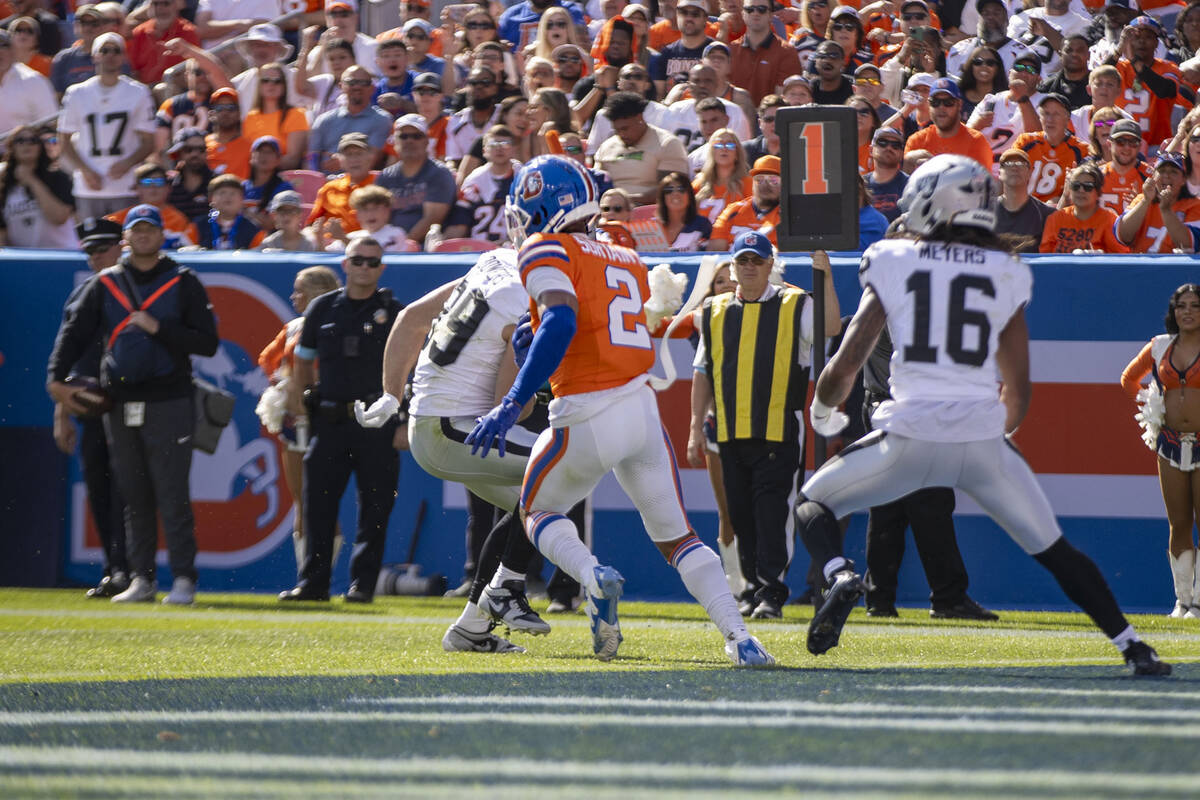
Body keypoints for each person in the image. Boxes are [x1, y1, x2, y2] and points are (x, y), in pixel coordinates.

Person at [793, 154, 1172, 676]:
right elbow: (1019, 390)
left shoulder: (892, 258)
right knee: (1055, 549)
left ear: (930, 202)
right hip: (981, 440)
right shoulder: (1003, 269)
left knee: (813, 503)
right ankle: (1134, 646)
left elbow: (845, 366)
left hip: (907, 433)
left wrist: (821, 407)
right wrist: (990, 438)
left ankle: (837, 575)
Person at [464, 154, 774, 666]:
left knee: (537, 510)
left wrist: (513, 400)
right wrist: (536, 337)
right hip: (640, 409)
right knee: (678, 537)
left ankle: (593, 578)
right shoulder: (622, 253)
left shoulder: (545, 247)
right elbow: (595, 326)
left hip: (586, 409)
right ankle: (741, 638)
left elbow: (563, 320)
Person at [362, 249, 551, 652]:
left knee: (538, 507)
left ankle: (472, 626)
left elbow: (410, 318)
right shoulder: (528, 297)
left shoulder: (493, 261)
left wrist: (391, 395)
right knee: (559, 467)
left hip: (431, 420)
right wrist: (540, 382)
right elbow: (509, 404)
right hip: (455, 428)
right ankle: (513, 589)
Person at [46, 204, 219, 606]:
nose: (142, 236)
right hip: (120, 401)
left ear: (162, 236)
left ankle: (182, 580)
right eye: (136, 230)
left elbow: (207, 342)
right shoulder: (106, 283)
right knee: (133, 493)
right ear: (127, 237)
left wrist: (159, 328)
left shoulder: (183, 281)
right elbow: (73, 334)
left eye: (149, 229)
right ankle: (141, 578)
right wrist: (55, 377)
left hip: (170, 397)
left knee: (172, 493)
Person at [688, 232, 840, 618]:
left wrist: (826, 278)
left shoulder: (795, 303)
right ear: (733, 266)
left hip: (778, 429)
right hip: (729, 429)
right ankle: (751, 588)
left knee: (772, 514)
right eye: (743, 261)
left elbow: (831, 328)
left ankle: (771, 592)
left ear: (771, 265)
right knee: (740, 515)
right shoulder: (715, 309)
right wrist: (694, 426)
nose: (750, 268)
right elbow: (703, 371)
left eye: (757, 261)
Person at [279, 237, 404, 603]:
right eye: (357, 260)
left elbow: (410, 368)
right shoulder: (321, 308)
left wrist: (403, 418)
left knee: (376, 506)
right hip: (330, 419)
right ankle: (313, 584)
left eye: (372, 261)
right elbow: (303, 358)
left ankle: (362, 586)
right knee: (317, 502)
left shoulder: (394, 312)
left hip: (377, 422)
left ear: (381, 268)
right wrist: (303, 402)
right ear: (344, 264)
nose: (364, 267)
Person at [857, 325, 999, 621]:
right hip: (907, 410)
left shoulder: (882, 299)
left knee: (889, 506)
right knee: (930, 503)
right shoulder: (899, 303)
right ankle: (947, 597)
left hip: (887, 407)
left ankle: (880, 598)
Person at [48, 217, 128, 599]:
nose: (97, 257)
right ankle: (113, 569)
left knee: (131, 487)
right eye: (91, 252)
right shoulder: (81, 295)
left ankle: (131, 568)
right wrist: (62, 412)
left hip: (135, 400)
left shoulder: (136, 288)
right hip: (92, 405)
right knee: (99, 484)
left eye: (103, 249)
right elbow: (69, 359)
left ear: (119, 248)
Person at [1121, 283, 1200, 619]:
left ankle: (1199, 602)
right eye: (1181, 306)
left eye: (1195, 306)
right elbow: (1128, 379)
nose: (1188, 312)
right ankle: (1182, 601)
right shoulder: (1159, 346)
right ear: (1173, 311)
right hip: (1168, 442)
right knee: (1178, 523)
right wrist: (1152, 405)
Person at [258, 266, 344, 573]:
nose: (294, 297)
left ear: (319, 295)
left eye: (301, 291)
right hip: (296, 421)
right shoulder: (294, 327)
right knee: (300, 499)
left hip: (327, 419)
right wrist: (284, 388)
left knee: (322, 497)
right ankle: (305, 575)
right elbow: (270, 360)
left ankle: (323, 572)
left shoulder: (338, 324)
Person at [57, 33, 156, 220]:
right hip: (88, 186)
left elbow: (149, 141)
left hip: (124, 185)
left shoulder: (138, 92)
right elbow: (64, 139)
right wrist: (84, 170)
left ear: (123, 56)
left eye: (116, 51)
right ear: (95, 55)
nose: (110, 55)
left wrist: (127, 163)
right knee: (91, 242)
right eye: (105, 50)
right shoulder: (77, 93)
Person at [594, 91, 691, 205]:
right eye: (617, 130)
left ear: (639, 118)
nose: (621, 134)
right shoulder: (606, 147)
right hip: (610, 210)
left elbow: (670, 190)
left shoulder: (667, 144)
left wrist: (625, 201)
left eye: (625, 129)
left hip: (649, 213)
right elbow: (597, 184)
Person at [375, 114, 456, 247]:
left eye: (416, 136)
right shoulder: (385, 177)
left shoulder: (439, 173)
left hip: (423, 248)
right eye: (403, 136)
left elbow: (432, 219)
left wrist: (403, 246)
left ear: (426, 141)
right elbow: (377, 216)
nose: (409, 141)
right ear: (394, 141)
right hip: (387, 245)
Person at [0, 125, 76, 249]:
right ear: (12, 147)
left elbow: (59, 217)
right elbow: (2, 233)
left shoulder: (58, 177)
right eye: (20, 141)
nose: (27, 145)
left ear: (40, 146)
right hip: (22, 260)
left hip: (61, 255)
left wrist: (31, 180)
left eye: (33, 140)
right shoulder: (3, 185)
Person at [308, 65, 393, 173]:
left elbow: (372, 160)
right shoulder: (324, 120)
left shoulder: (382, 120)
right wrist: (316, 179)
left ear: (372, 88)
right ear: (341, 86)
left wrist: (340, 160)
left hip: (362, 185)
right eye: (351, 82)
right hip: (325, 185)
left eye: (363, 83)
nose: (357, 87)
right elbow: (311, 158)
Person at [444, 125, 518, 243]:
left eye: (505, 144)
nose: (499, 149)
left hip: (513, 247)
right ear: (484, 151)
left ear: (514, 149)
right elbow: (460, 221)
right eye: (493, 144)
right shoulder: (474, 180)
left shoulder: (523, 176)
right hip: (478, 248)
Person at [1115, 152, 1200, 254]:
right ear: (1153, 176)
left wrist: (1166, 210)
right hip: (1140, 266)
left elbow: (1190, 244)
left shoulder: (1194, 205)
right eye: (1162, 171)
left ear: (1183, 179)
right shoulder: (1142, 199)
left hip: (1177, 268)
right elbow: (1123, 236)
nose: (1167, 176)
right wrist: (1146, 201)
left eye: (1173, 172)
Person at [964, 50, 1041, 159]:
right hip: (986, 167)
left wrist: (1023, 99)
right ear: (1010, 73)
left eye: (1031, 70)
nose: (1024, 73)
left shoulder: (1045, 102)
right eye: (1019, 67)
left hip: (1021, 168)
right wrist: (978, 125)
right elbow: (965, 137)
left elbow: (1038, 139)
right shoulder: (991, 101)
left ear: (1039, 79)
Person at [1012, 94, 1087, 205]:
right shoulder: (1025, 141)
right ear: (1040, 117)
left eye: (1056, 114)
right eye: (1046, 113)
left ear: (1067, 119)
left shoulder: (1081, 150)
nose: (1050, 119)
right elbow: (1008, 172)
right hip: (1022, 205)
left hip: (1057, 210)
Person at [902, 78, 994, 170]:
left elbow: (983, 181)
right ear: (929, 105)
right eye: (935, 102)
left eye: (948, 102)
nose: (941, 107)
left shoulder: (977, 141)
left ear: (959, 104)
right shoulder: (916, 141)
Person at [307, 132, 378, 247]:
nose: (354, 159)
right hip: (330, 249)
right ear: (339, 160)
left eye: (359, 154)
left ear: (371, 157)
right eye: (349, 154)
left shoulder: (380, 185)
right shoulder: (329, 189)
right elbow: (312, 225)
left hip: (369, 247)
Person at [1040, 164, 1128, 253]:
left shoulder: (1110, 220)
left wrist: (1099, 256)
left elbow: (1121, 258)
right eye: (1076, 186)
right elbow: (1044, 256)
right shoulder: (1055, 219)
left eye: (1088, 186)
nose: (1081, 190)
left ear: (1099, 191)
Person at [731, 0, 803, 105]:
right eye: (749, 9)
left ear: (770, 15)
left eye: (762, 9)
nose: (755, 13)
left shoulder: (787, 52)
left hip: (771, 118)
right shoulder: (731, 50)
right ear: (743, 14)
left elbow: (782, 101)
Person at [242, 62, 309, 172]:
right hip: (255, 176)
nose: (271, 85)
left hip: (282, 177)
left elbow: (293, 158)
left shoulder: (296, 114)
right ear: (259, 85)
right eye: (265, 80)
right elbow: (246, 155)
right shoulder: (251, 117)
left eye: (277, 81)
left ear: (284, 86)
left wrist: (264, 166)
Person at [708, 155, 781, 251]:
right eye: (759, 180)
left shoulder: (792, 216)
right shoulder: (733, 211)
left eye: (773, 180)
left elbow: (796, 256)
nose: (765, 185)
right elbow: (715, 252)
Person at [185, 174, 267, 251]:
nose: (228, 197)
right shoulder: (197, 226)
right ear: (211, 199)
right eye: (222, 193)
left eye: (233, 193)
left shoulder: (254, 229)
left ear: (242, 199)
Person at [994, 148, 1054, 252]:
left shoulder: (1046, 215)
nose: (1014, 167)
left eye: (1020, 163)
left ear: (1030, 173)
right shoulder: (984, 211)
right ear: (999, 173)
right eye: (1008, 164)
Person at [127, 0, 200, 85]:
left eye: (166, 3)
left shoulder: (189, 32)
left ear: (175, 6)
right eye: (156, 4)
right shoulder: (139, 32)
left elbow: (194, 66)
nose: (160, 8)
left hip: (177, 87)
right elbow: (133, 70)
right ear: (149, 7)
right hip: (145, 88)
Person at [693, 128, 748, 225]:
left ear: (737, 153)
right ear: (711, 151)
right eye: (718, 144)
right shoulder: (699, 183)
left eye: (730, 145)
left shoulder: (748, 184)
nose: (724, 148)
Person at [1099, 117, 1151, 216]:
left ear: (1139, 146)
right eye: (1120, 141)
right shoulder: (1097, 176)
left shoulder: (1150, 177)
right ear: (1109, 144)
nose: (1127, 147)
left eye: (1133, 142)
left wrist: (1143, 205)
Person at [655, 171, 712, 251]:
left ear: (690, 195)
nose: (675, 193)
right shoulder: (652, 227)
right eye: (669, 190)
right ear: (663, 197)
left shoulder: (702, 224)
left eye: (681, 189)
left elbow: (705, 257)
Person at [865, 126, 907, 223]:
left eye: (895, 145)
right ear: (871, 150)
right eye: (882, 143)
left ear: (902, 154)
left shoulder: (910, 185)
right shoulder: (860, 186)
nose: (889, 148)